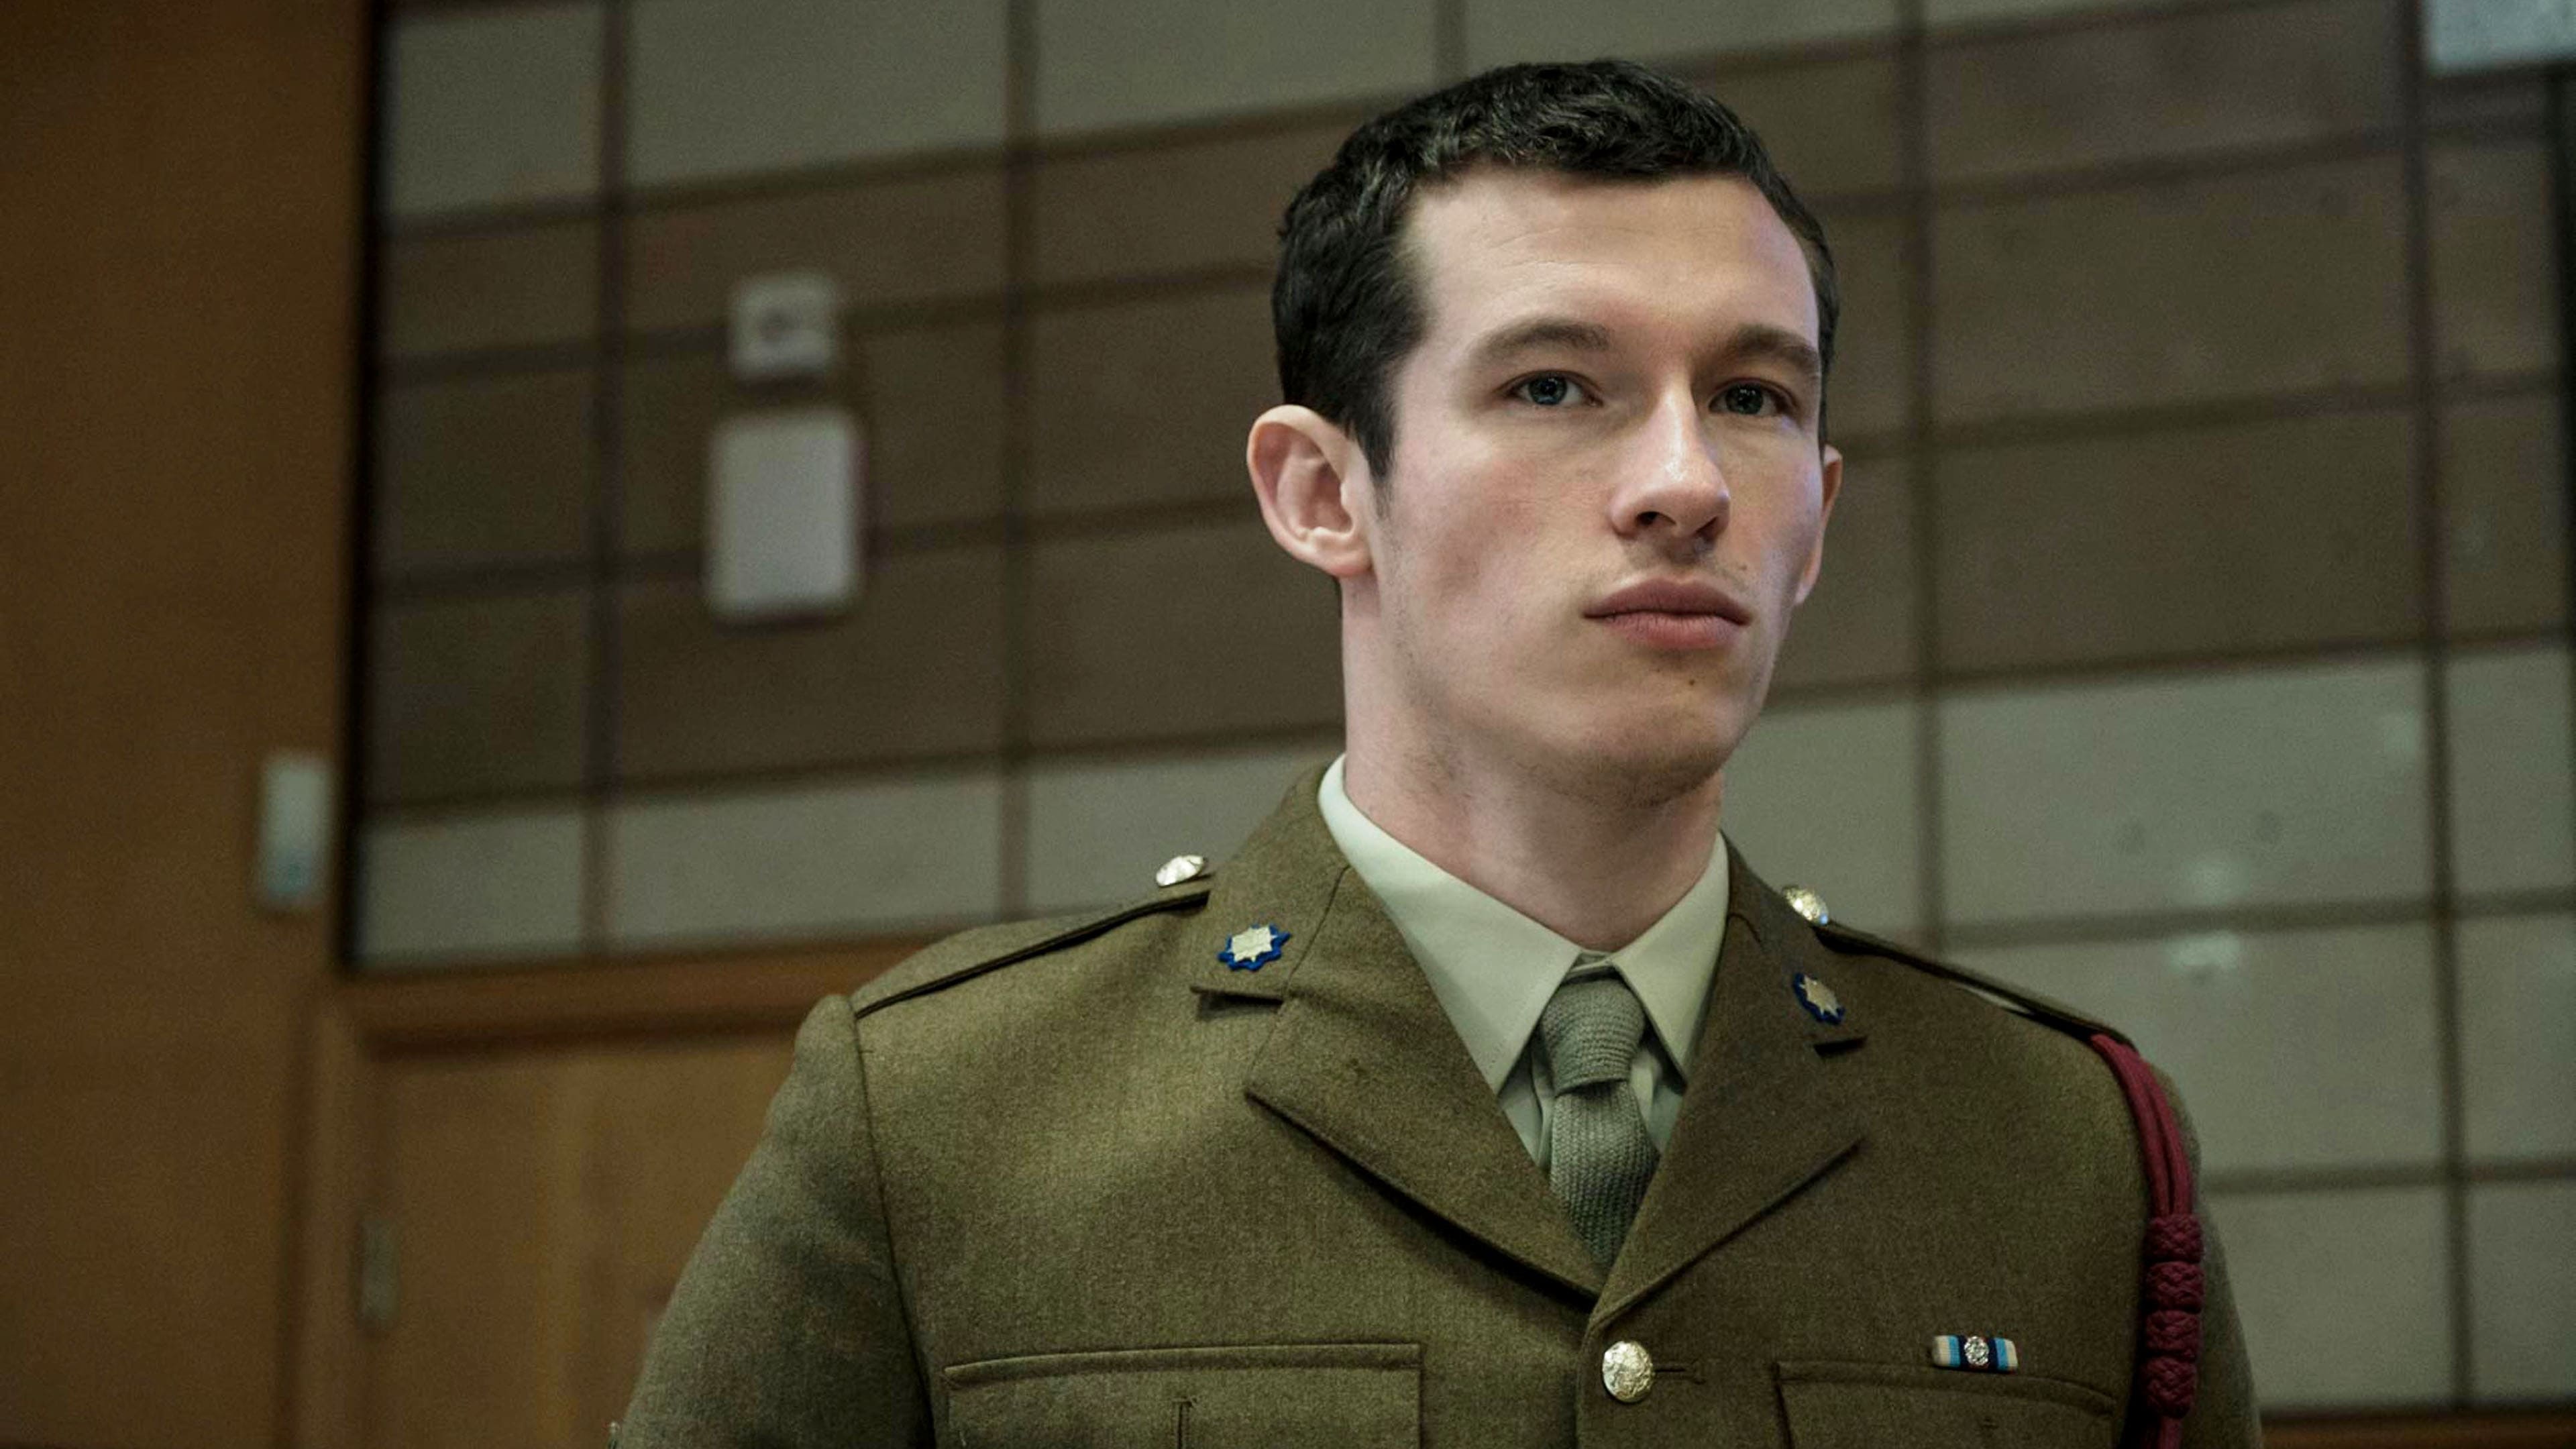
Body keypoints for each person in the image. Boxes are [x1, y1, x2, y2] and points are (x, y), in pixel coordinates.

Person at [616, 59, 2259, 1448]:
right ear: (1325, 494)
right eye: (1555, 385)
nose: (1686, 483)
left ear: (1821, 520)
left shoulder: (2057, 1151)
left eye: (1755, 398)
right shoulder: (949, 1116)